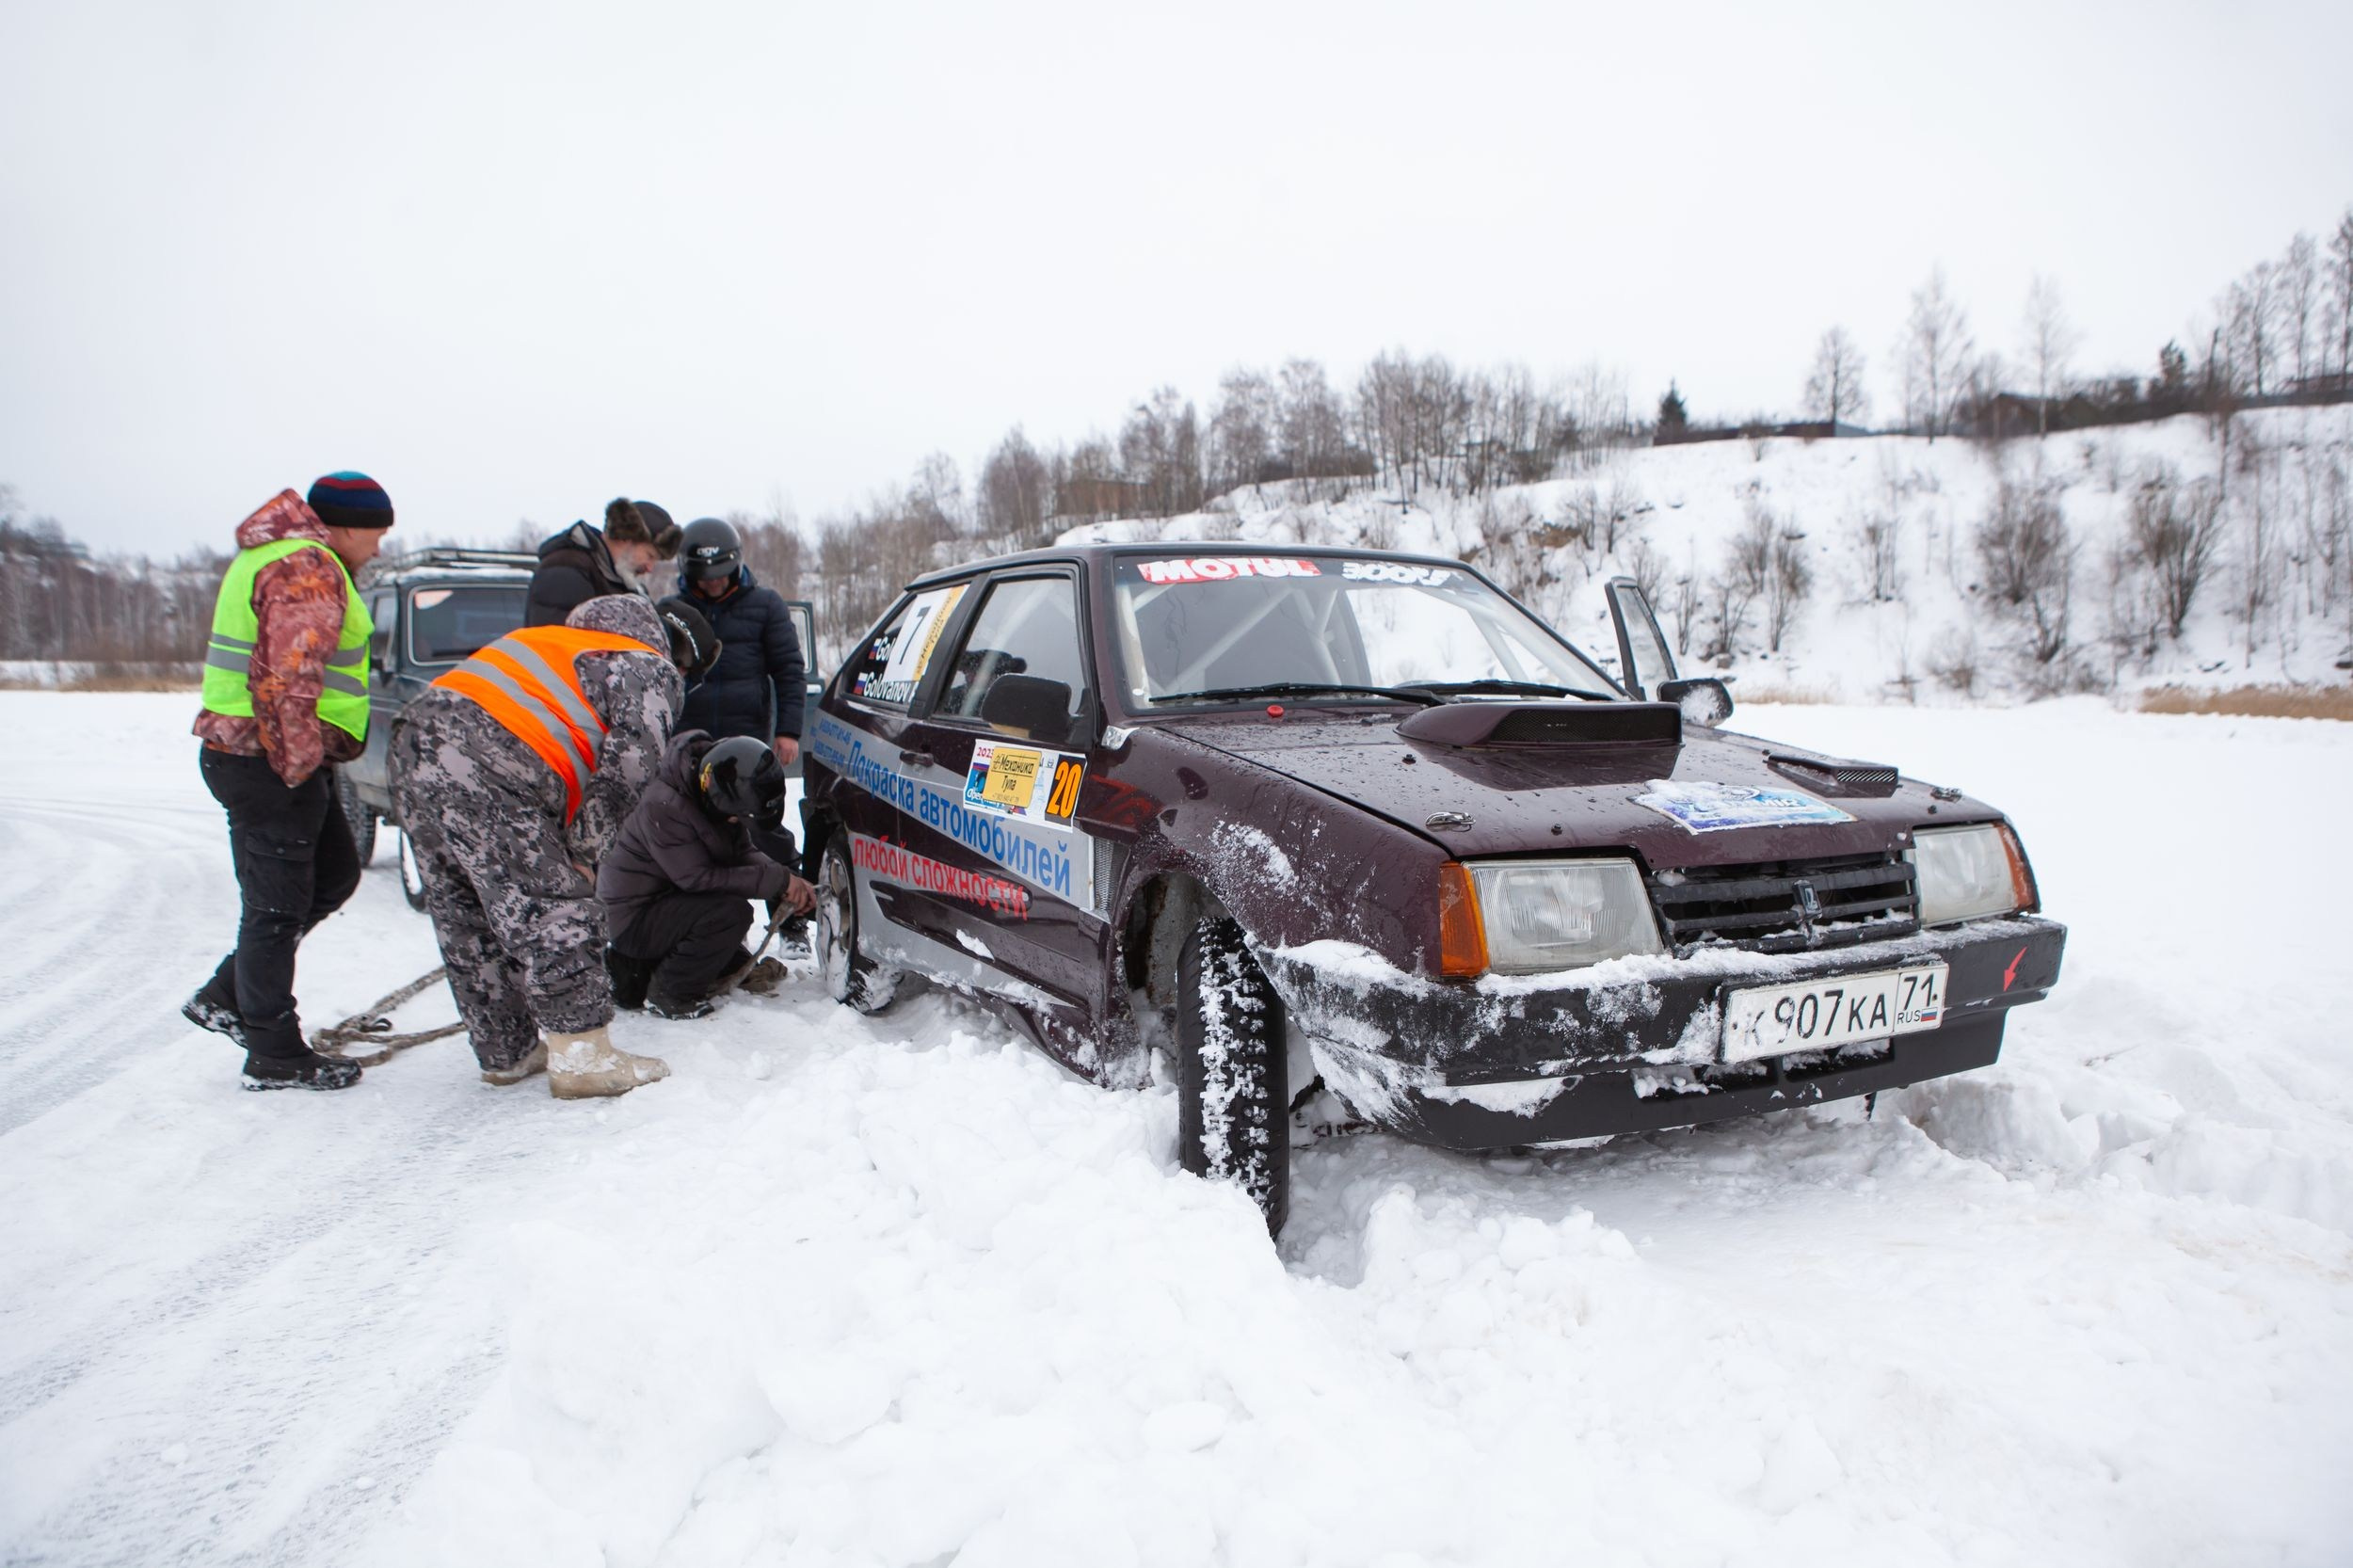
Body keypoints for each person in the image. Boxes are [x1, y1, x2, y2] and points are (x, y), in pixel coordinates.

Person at [390, 594, 712, 1097]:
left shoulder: (552, 645)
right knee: (553, 905)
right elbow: (630, 769)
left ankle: (507, 1052)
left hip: (412, 741)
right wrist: (583, 852)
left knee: (465, 910)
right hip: (488, 756)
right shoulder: (646, 665)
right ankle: (584, 1056)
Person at [183, 473, 394, 1090]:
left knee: (332, 876)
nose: (379, 548)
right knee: (275, 909)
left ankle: (230, 994)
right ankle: (273, 1049)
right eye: (377, 534)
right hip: (270, 762)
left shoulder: (283, 555)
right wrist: (297, 770)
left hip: (269, 758)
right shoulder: (306, 566)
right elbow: (287, 679)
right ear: (346, 527)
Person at [599, 734, 818, 1019]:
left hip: (666, 902)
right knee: (729, 913)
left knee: (730, 903)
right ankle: (670, 994)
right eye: (738, 817)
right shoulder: (664, 805)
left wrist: (786, 880)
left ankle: (700, 965)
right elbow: (696, 878)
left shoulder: (711, 797)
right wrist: (776, 881)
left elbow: (742, 853)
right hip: (634, 918)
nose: (738, 823)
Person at [523, 497, 683, 628]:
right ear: (625, 537)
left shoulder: (624, 582)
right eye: (650, 555)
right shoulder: (566, 570)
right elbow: (555, 646)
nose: (650, 568)